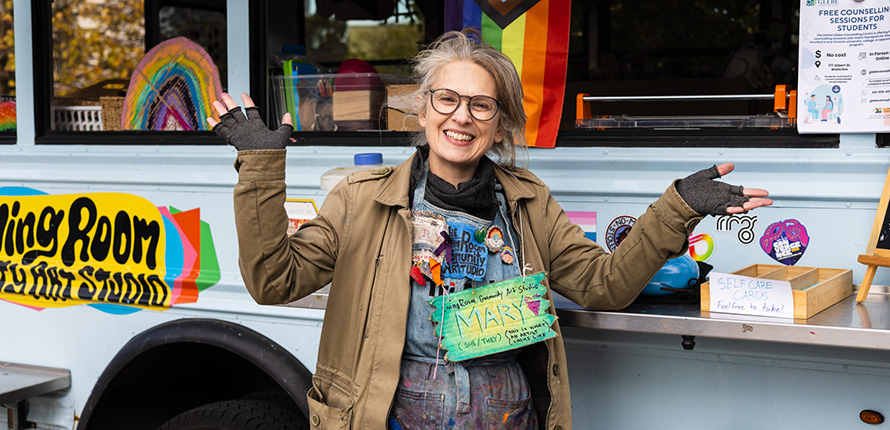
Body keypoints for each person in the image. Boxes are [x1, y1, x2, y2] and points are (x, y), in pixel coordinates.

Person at [208, 29, 771, 430]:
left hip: (509, 417)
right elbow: (273, 281)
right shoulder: (360, 199)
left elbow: (605, 286)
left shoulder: (528, 202)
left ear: (499, 125)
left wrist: (677, 207)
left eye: (481, 105)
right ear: (422, 112)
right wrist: (260, 168)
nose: (461, 116)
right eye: (447, 99)